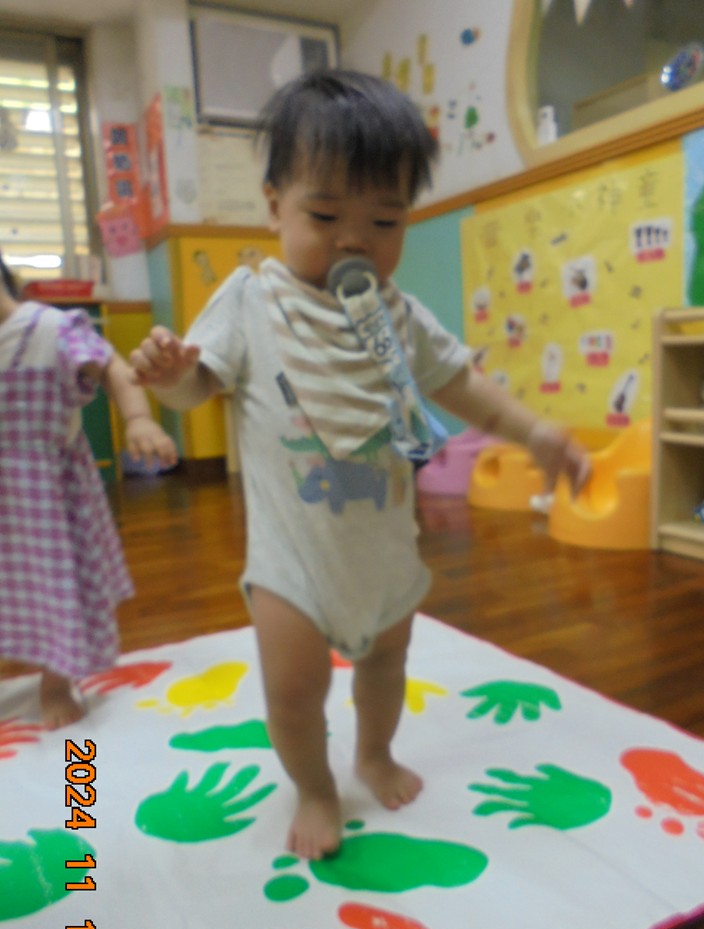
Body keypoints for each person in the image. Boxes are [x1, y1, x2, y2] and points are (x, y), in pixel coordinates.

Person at [130, 69, 590, 860]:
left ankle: (374, 753)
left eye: (384, 219)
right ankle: (314, 787)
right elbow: (198, 386)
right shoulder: (250, 302)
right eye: (324, 215)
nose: (354, 239)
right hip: (292, 560)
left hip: (381, 551)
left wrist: (533, 432)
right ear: (274, 205)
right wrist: (171, 377)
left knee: (386, 664)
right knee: (294, 691)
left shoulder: (397, 316)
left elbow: (461, 385)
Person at [0, 254, 178, 729]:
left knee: (57, 587)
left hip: (45, 499)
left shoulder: (49, 330)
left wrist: (138, 419)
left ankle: (56, 681)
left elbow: (111, 365)